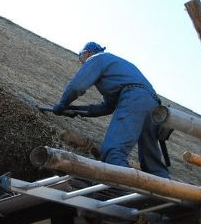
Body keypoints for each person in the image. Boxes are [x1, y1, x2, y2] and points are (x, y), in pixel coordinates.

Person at [53, 42, 170, 178]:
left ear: (87, 53)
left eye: (81, 56)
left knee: (113, 150)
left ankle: (120, 188)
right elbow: (107, 107)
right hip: (154, 105)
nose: (80, 62)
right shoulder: (117, 67)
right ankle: (167, 190)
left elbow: (76, 87)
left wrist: (62, 104)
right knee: (152, 162)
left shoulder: (96, 58)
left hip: (134, 97)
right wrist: (76, 110)